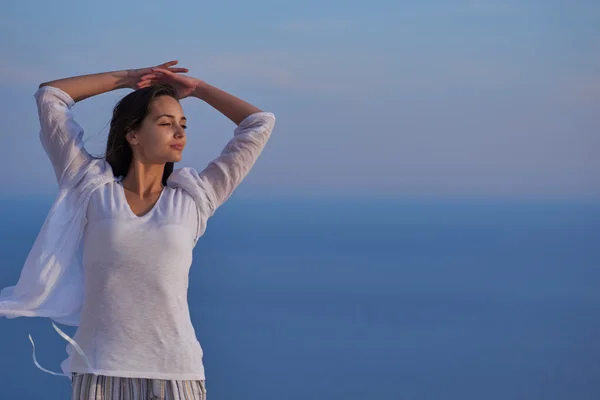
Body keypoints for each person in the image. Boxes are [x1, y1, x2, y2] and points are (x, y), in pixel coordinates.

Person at [0, 60, 276, 399]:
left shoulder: (195, 199)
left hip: (176, 374)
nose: (179, 133)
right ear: (132, 134)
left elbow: (259, 123)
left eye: (183, 125)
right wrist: (129, 79)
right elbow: (51, 96)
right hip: (100, 372)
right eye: (165, 123)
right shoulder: (91, 188)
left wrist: (198, 89)